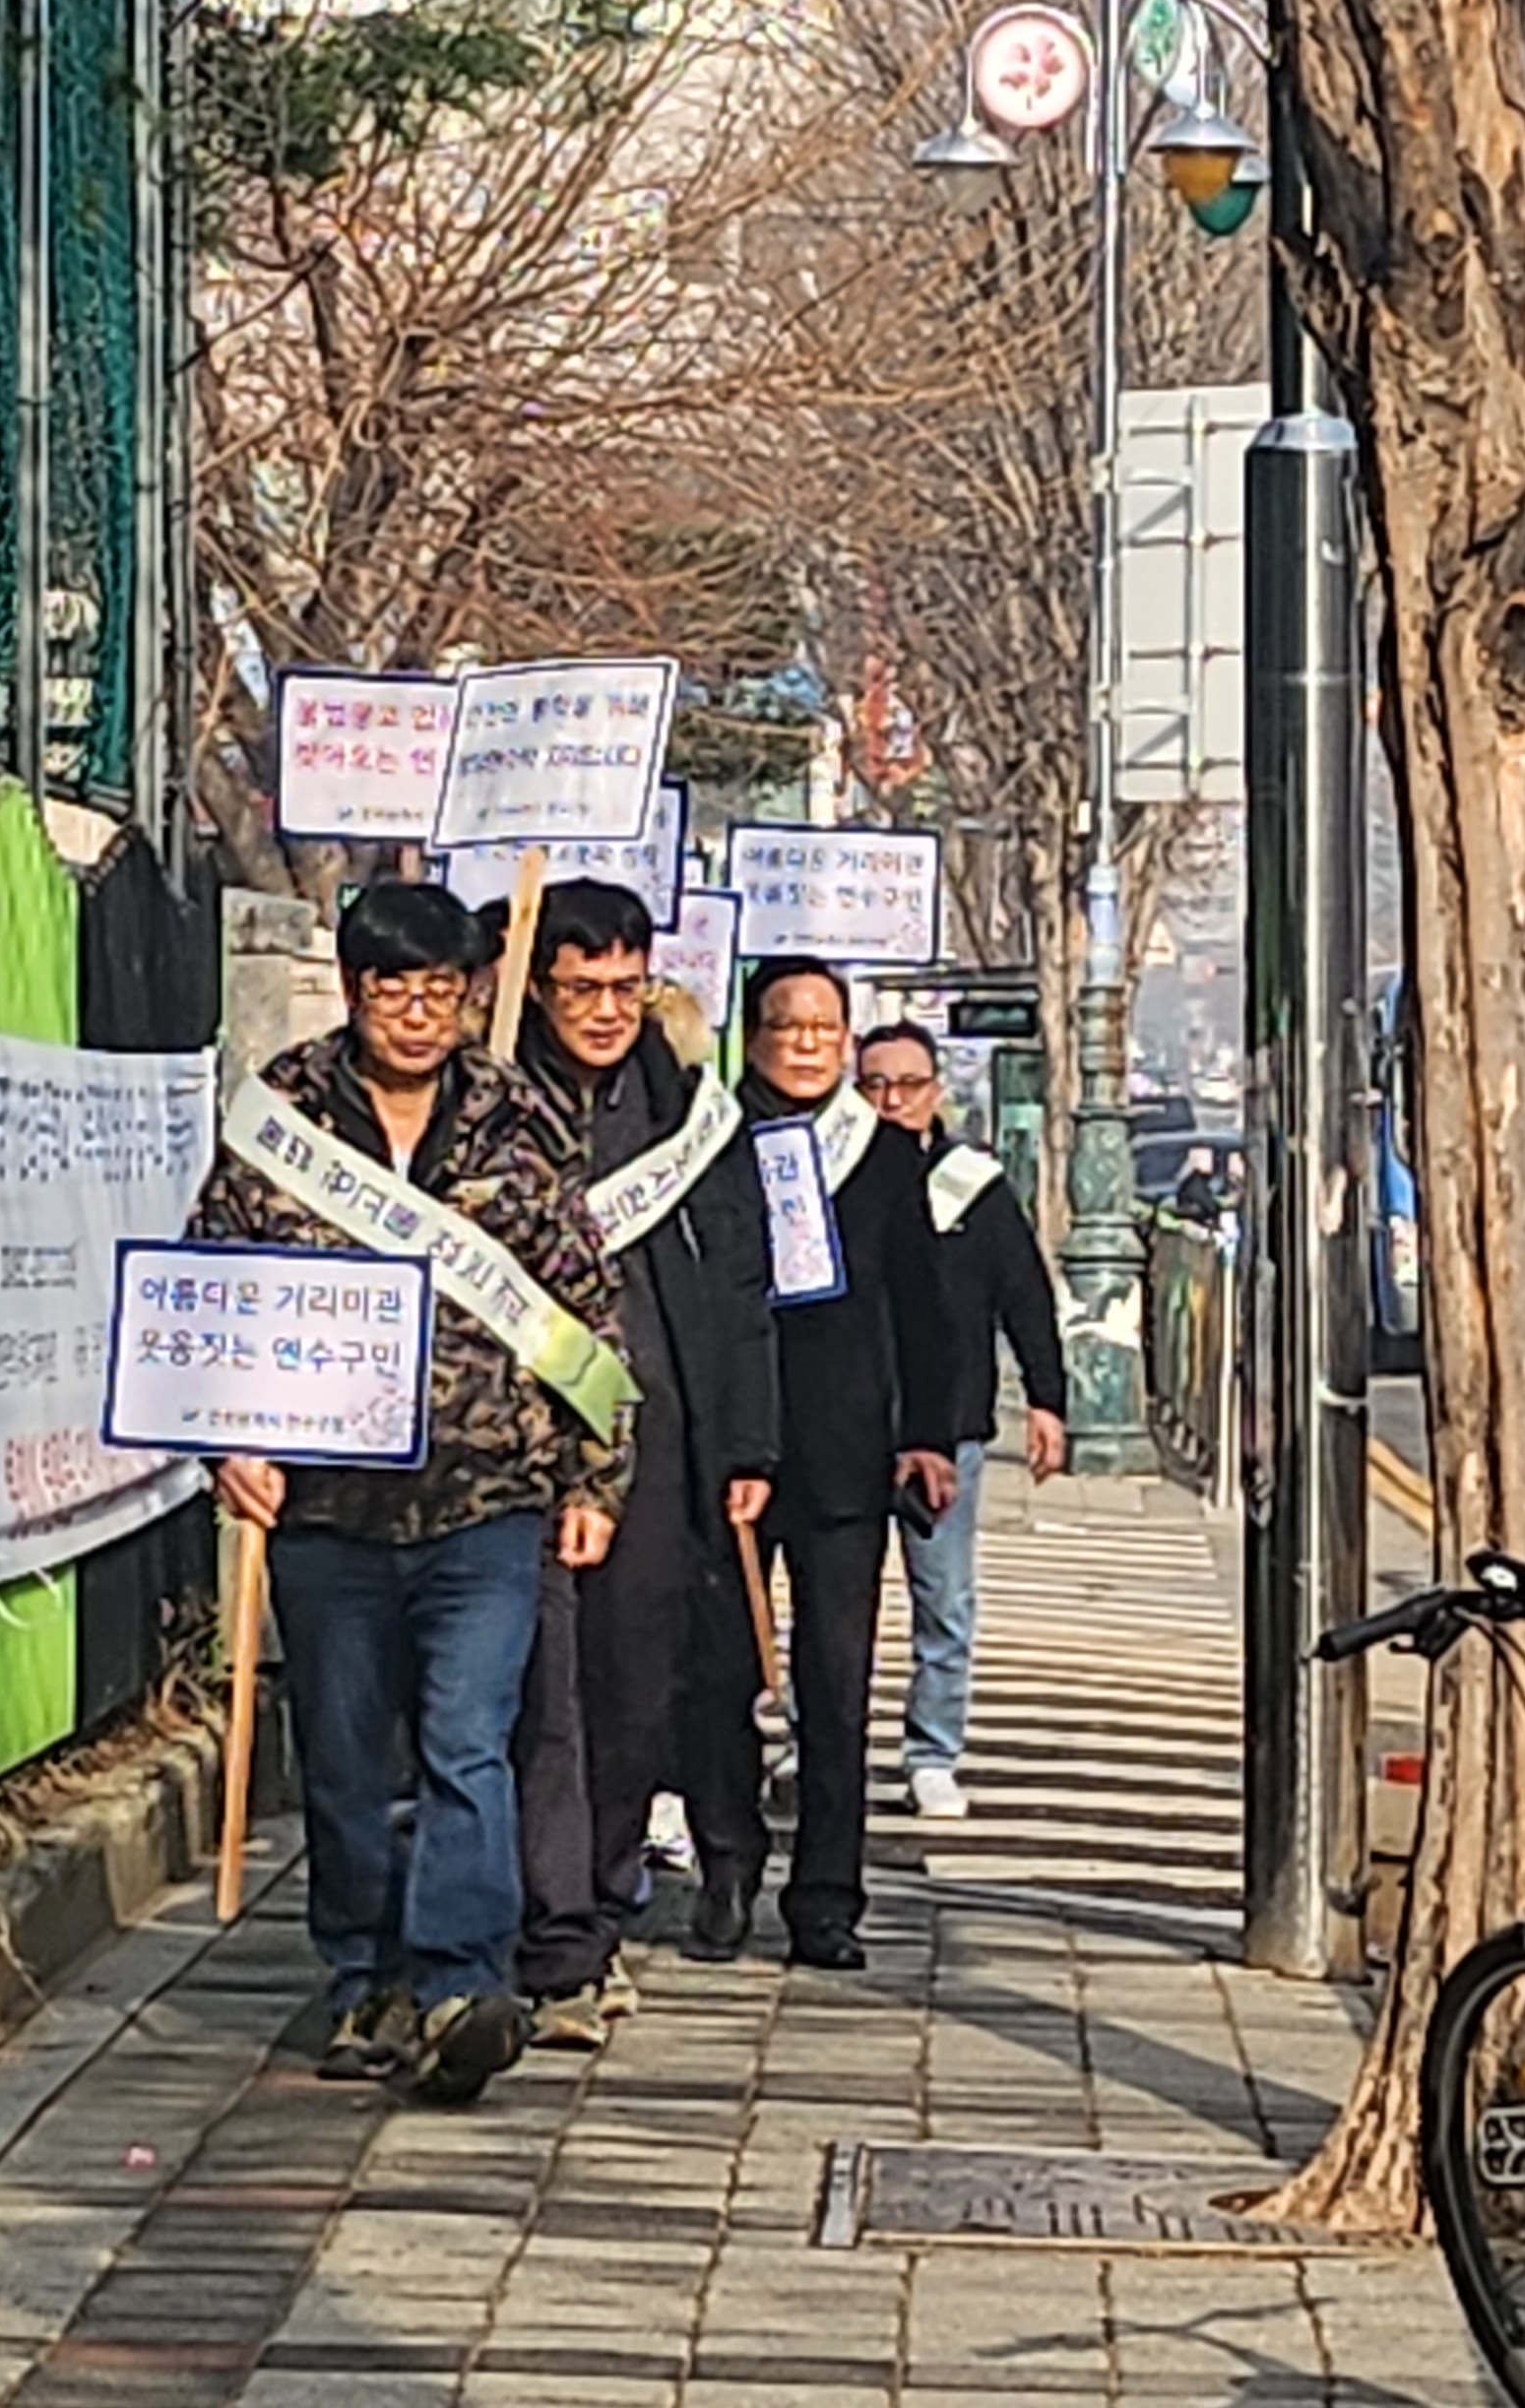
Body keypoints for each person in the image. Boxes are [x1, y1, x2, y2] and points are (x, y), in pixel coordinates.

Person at [184, 879, 628, 2102]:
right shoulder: (282, 1115)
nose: (419, 1015)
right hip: (326, 1507)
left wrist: (596, 1475)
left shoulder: (519, 1119)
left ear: (470, 994)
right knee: (339, 1756)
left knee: (465, 1745)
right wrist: (226, 1443)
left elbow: (586, 1311)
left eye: (442, 991)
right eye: (396, 990)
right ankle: (363, 1978)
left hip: (487, 1497)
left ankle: (458, 1982)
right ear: (358, 990)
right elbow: (213, 1288)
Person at [510, 879, 784, 2044]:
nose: (608, 1008)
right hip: (515, 1440)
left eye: (627, 986)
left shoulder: (686, 1115)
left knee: (630, 1686)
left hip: (660, 1446)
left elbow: (739, 1284)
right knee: (527, 1692)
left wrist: (747, 1440)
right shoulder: (496, 1101)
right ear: (538, 984)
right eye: (583, 987)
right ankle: (541, 1915)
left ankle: (599, 1896)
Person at [686, 959, 964, 1969]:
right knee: (717, 1672)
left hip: (847, 1458)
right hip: (726, 1451)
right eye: (785, 1024)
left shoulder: (887, 1157)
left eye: (824, 1025)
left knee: (834, 1685)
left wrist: (927, 1434)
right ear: (751, 1035)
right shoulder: (706, 1145)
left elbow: (925, 1311)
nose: (806, 1041)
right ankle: (726, 1861)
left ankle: (826, 1901)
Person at [855, 1021, 1067, 1819]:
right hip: (847, 1421)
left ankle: (932, 1752)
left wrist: (1048, 1399)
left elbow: (1024, 1293)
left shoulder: (971, 1183)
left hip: (952, 1426)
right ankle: (813, 1739)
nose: (893, 1101)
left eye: (908, 1085)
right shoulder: (830, 1171)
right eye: (875, 1085)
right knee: (830, 1601)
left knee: (943, 1596)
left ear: (936, 1092)